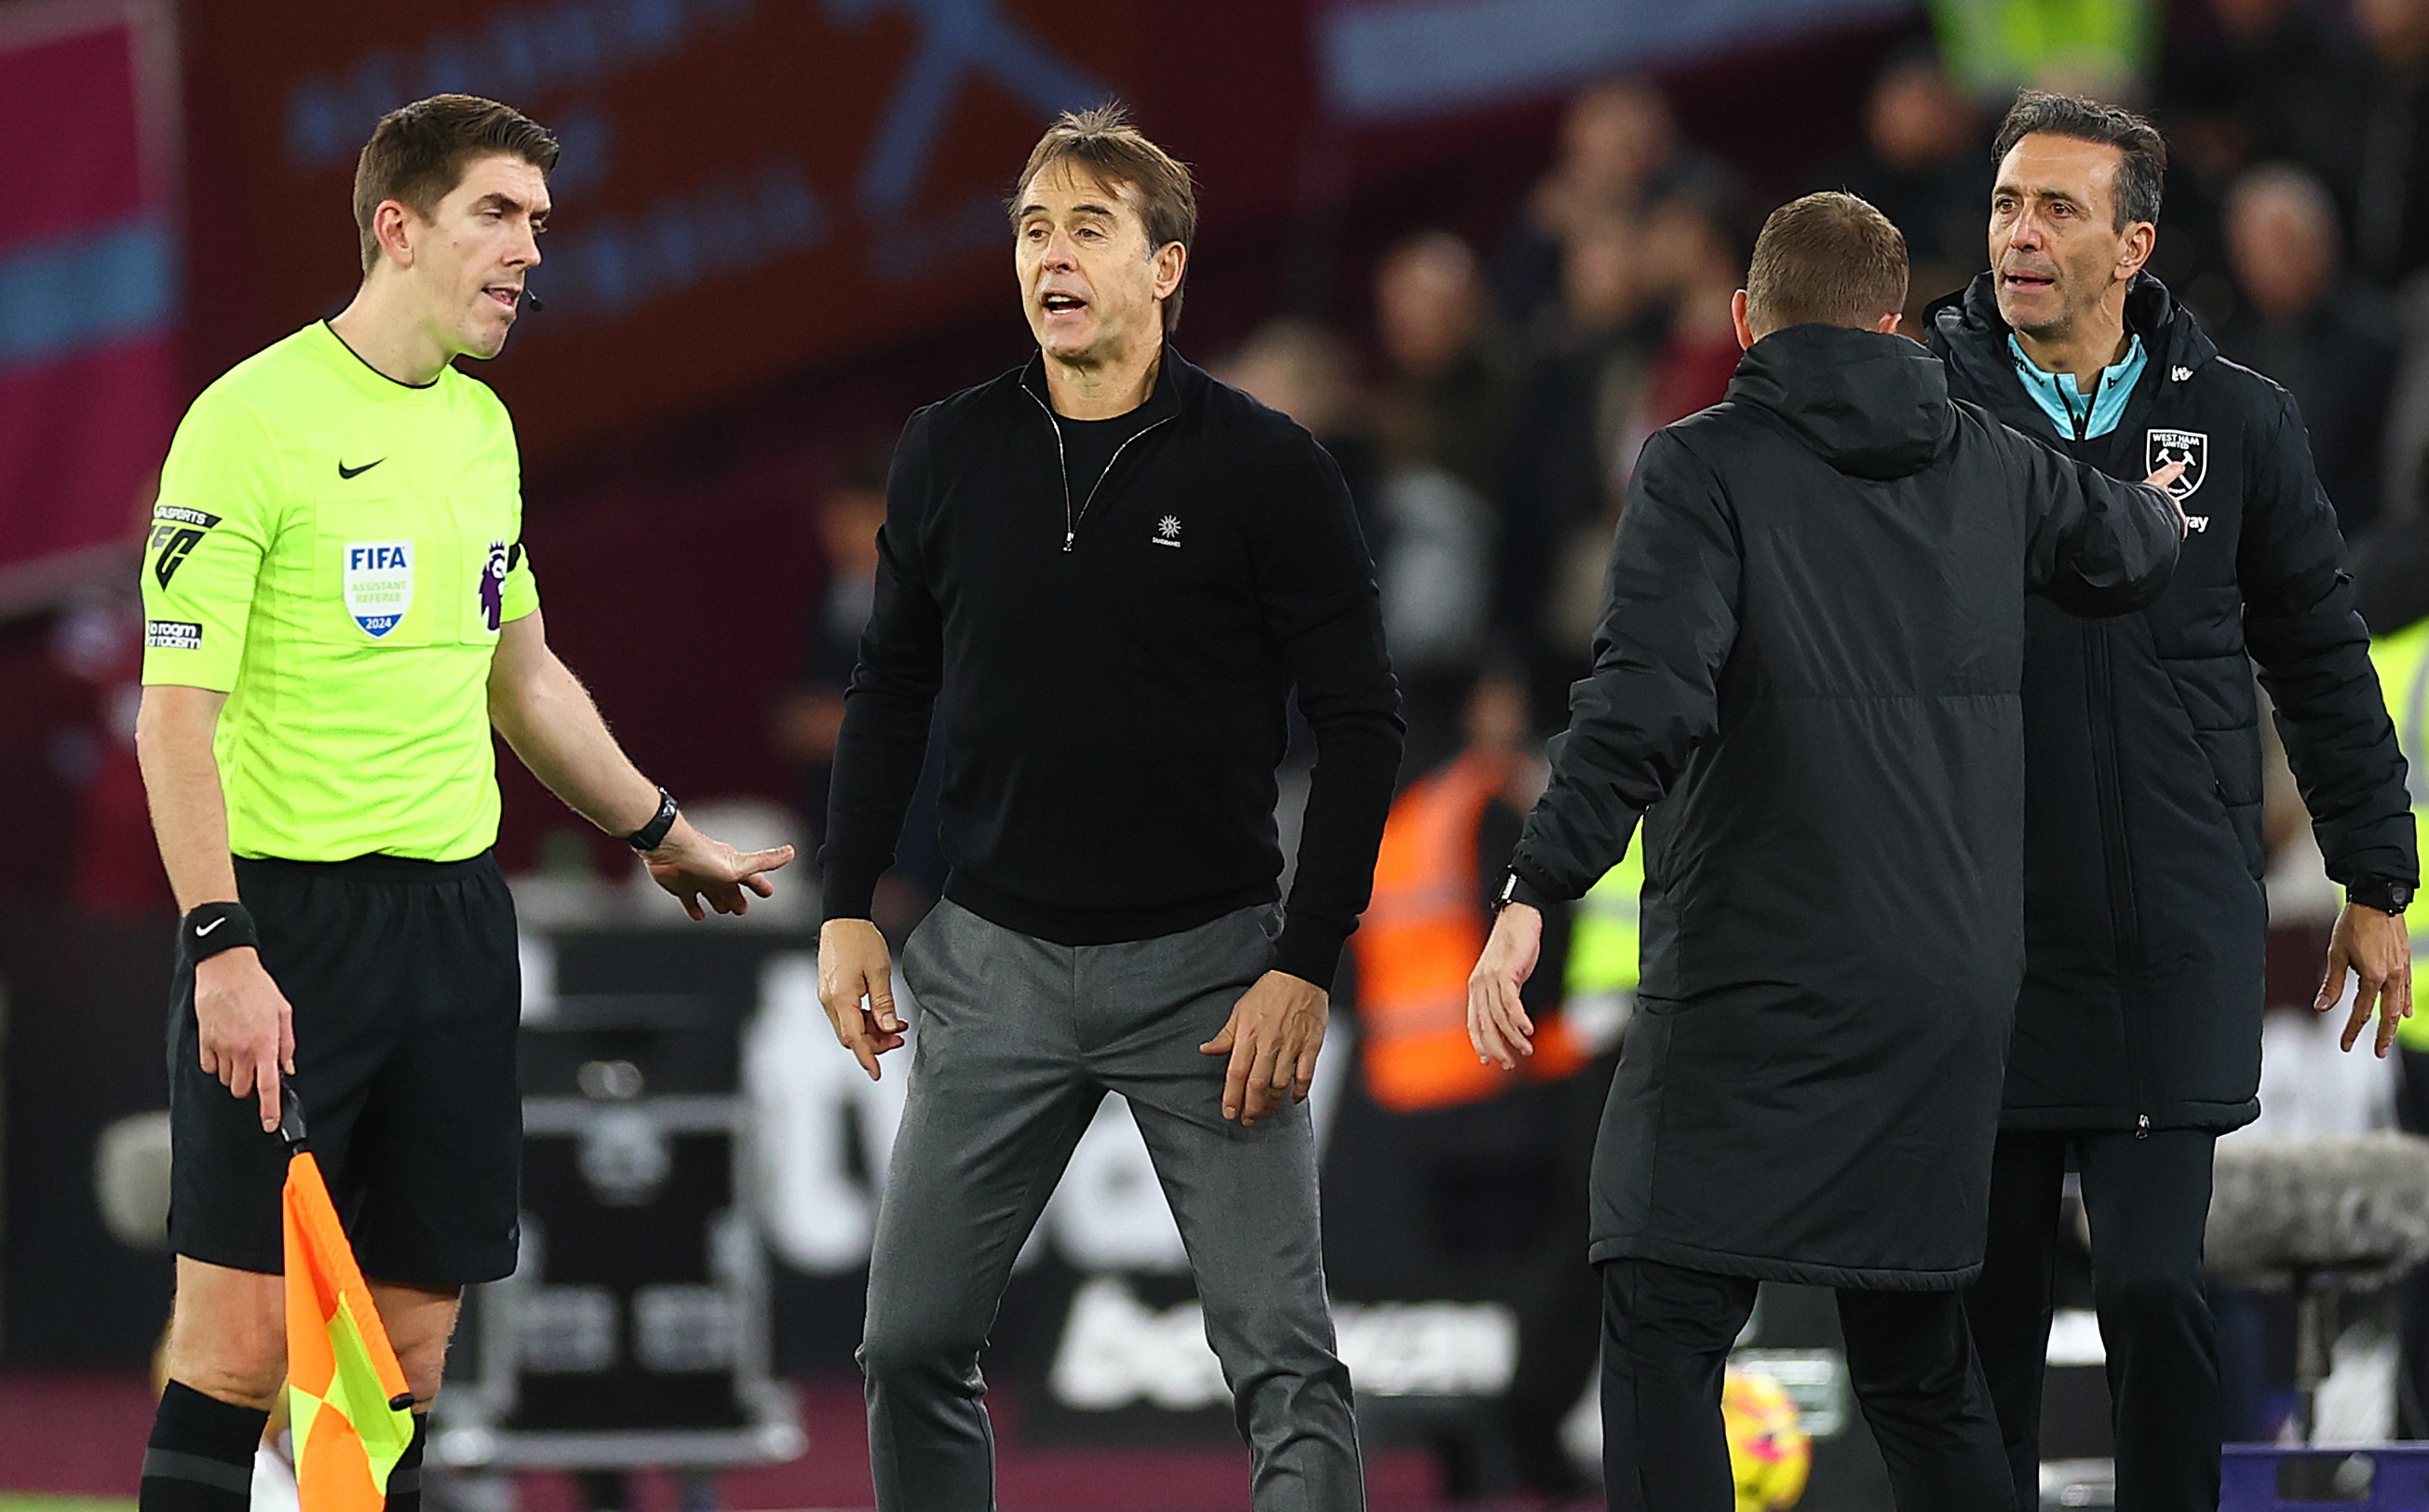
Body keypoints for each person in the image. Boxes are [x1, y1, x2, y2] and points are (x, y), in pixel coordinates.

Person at [1466, 189, 2188, 1512]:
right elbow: (2127, 547)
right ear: (1892, 322)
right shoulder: (1994, 461)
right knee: (1914, 1360)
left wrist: (1537, 882)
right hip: (1948, 990)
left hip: (1757, 975)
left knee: (1662, 1322)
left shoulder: (1699, 464)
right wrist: (2155, 497)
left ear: (1745, 319)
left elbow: (1644, 699)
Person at [132, 95, 791, 1512]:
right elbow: (172, 718)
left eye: (541, 224)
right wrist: (220, 948)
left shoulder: (483, 432)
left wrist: (659, 831)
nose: (529, 252)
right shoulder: (246, 424)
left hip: (450, 929)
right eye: (499, 215)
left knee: (405, 1362)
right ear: (398, 227)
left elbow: (525, 675)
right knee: (243, 1349)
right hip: (284, 929)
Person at [815, 103, 1402, 1512]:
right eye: (1030, 228)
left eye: (1087, 227)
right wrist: (846, 905)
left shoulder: (1266, 465)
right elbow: (888, 690)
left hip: (1209, 977)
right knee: (907, 1346)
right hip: (992, 964)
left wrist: (1300, 963)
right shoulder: (945, 452)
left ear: (1166, 267)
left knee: (1282, 1362)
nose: (1050, 255)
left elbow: (1364, 725)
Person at [1925, 90, 2419, 1512]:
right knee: (1981, 1320)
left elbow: (2322, 660)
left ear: (2131, 243)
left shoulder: (2238, 424)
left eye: (2056, 209)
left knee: (2151, 1291)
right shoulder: (1921, 410)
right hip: (1973, 937)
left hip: (2163, 935)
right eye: (2007, 204)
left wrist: (2374, 881)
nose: (2018, 235)